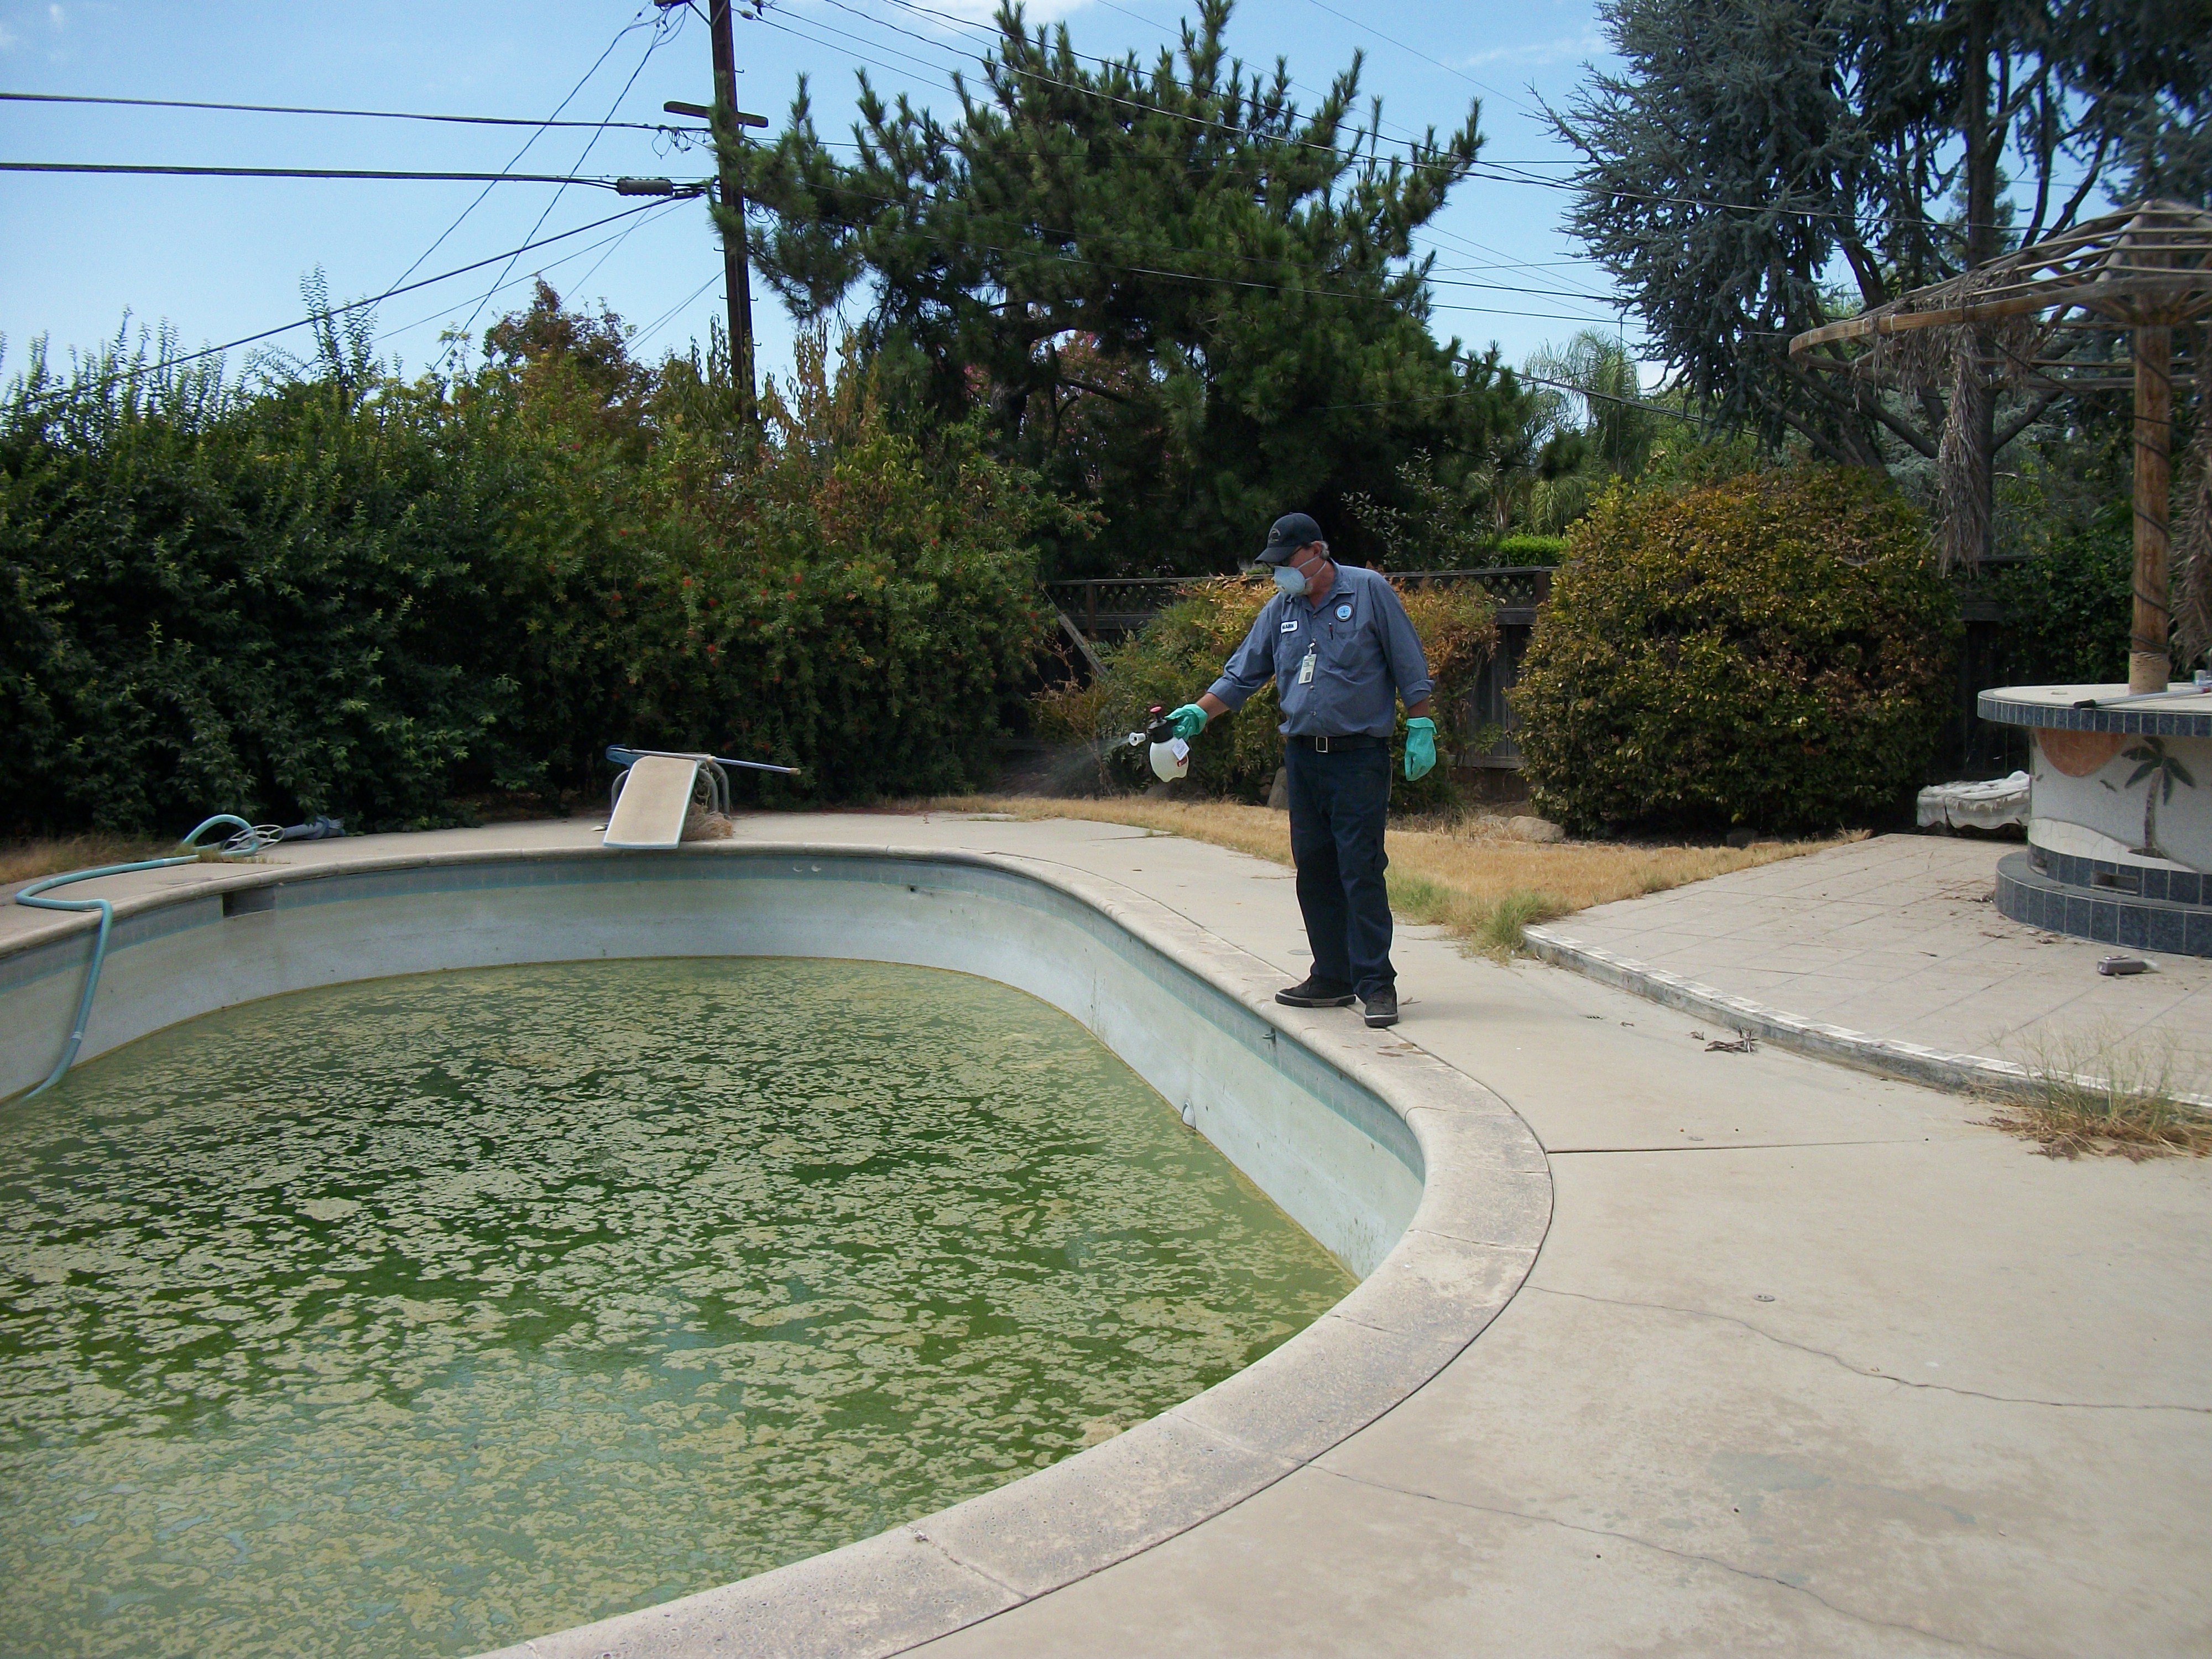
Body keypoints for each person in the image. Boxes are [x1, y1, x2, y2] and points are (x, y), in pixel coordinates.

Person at [1163, 513, 1436, 1028]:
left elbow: (1408, 661)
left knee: (1360, 868)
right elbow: (1242, 674)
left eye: (1286, 563)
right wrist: (1199, 712)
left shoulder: (1369, 591)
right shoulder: (1280, 610)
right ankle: (1332, 975)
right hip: (1304, 757)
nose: (1280, 575)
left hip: (1358, 757)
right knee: (1314, 869)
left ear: (1316, 551)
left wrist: (1422, 725)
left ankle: (1376, 984)